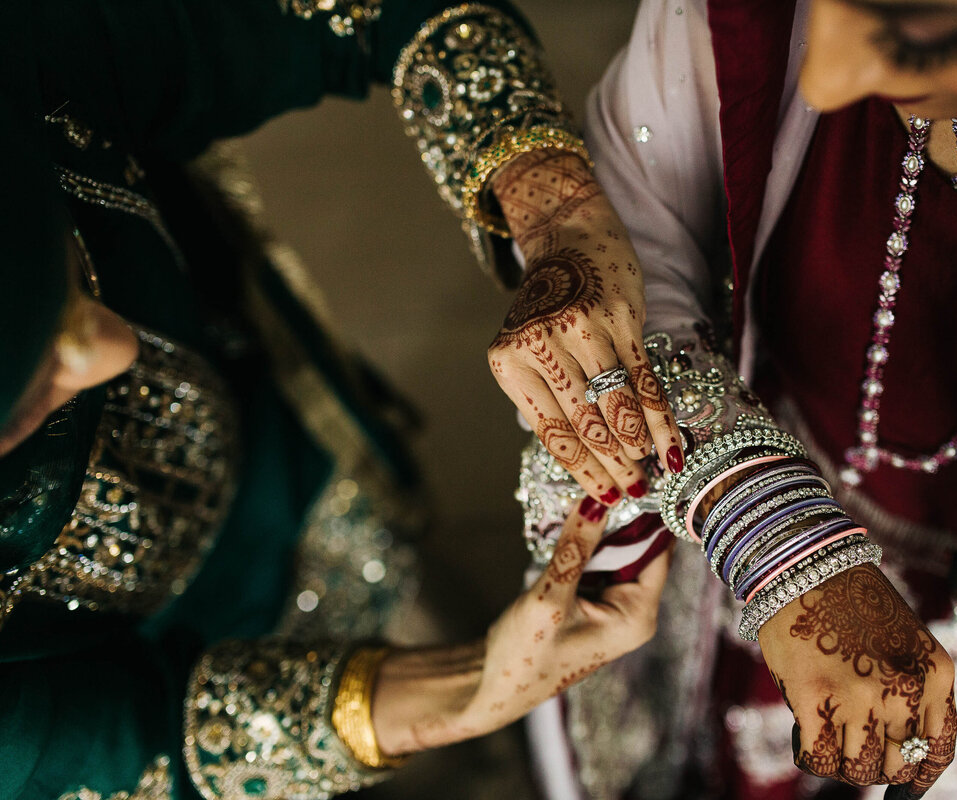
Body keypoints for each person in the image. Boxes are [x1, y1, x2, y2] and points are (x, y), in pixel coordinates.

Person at [517, 0, 957, 798]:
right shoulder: (774, 29)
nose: (826, 75)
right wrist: (772, 535)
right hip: (732, 565)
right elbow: (630, 241)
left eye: (915, 27)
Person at [0, 2, 674, 797]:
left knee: (433, 601)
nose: (116, 351)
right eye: (24, 398)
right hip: (166, 710)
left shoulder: (36, 54)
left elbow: (376, 13)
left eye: (73, 275)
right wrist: (463, 694)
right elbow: (118, 742)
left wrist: (557, 212)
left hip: (297, 459)